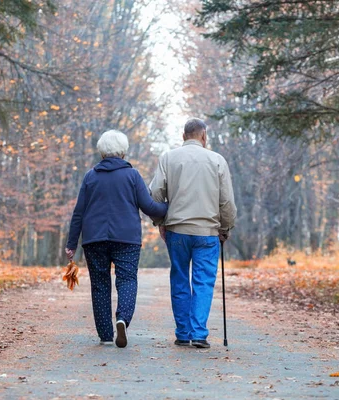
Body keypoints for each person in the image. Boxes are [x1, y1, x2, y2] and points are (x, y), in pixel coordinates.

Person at [65, 130, 168, 348]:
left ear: (101, 151)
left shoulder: (90, 176)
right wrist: (170, 207)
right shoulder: (132, 175)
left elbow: (79, 212)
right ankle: (122, 318)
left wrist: (71, 243)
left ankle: (105, 334)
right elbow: (148, 207)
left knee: (100, 285)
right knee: (127, 279)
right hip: (126, 238)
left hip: (94, 239)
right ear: (123, 150)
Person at [150, 118, 237, 349]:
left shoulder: (168, 158)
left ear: (183, 136)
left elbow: (155, 193)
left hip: (177, 231)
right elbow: (226, 201)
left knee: (179, 278)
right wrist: (225, 227)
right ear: (204, 136)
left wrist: (160, 221)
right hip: (208, 232)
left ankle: (182, 333)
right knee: (203, 282)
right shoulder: (217, 160)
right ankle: (199, 334)